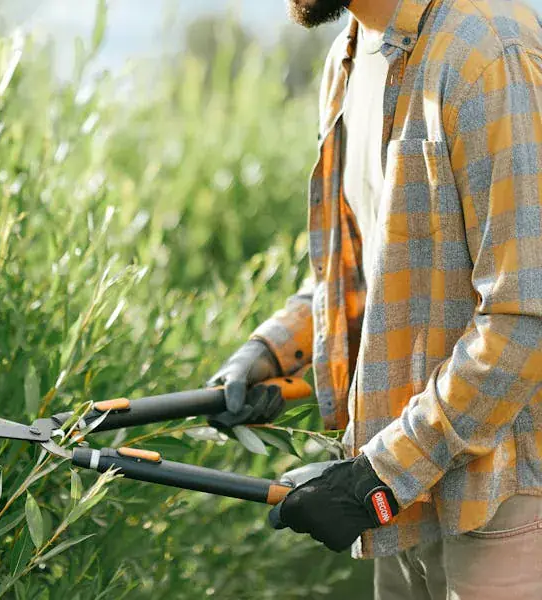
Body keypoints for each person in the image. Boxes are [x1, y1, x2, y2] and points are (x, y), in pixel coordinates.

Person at [208, 0, 542, 597]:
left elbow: (526, 314)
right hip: (406, 502)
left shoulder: (487, 50)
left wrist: (378, 476)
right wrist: (274, 350)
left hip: (503, 505)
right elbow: (367, 270)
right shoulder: (349, 55)